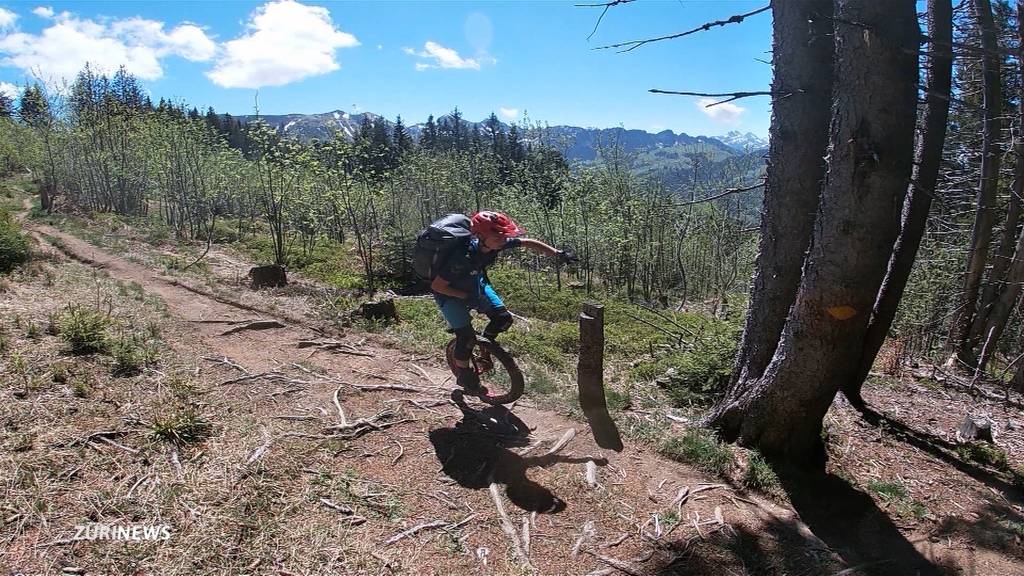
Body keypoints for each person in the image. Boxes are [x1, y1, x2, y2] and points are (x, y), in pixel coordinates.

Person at [430, 210, 575, 393]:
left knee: (503, 319)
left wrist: (558, 253)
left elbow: (527, 242)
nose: (503, 240)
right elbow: (438, 286)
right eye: (498, 237)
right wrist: (465, 297)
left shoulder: (495, 243)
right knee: (465, 337)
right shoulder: (462, 257)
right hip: (449, 294)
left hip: (474, 283)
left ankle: (485, 348)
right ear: (480, 236)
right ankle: (464, 374)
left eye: (504, 236)